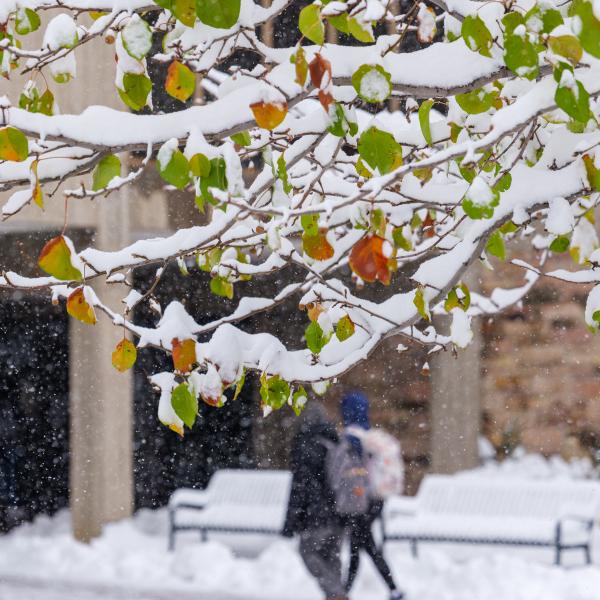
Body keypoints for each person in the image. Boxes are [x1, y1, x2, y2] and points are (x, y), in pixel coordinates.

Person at [341, 391, 404, 600]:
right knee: (360, 545)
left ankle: (346, 591)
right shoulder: (370, 435)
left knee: (363, 545)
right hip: (377, 499)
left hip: (363, 500)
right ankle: (389, 589)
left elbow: (349, 469)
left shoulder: (353, 436)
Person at [283, 402, 348, 600]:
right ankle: (335, 593)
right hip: (339, 512)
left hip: (315, 514)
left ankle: (336, 594)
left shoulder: (304, 444)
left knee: (308, 553)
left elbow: (300, 487)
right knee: (332, 556)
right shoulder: (334, 441)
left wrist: (291, 520)